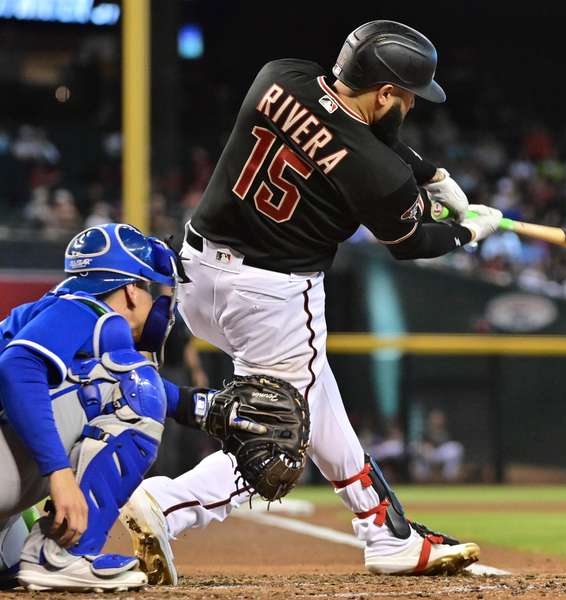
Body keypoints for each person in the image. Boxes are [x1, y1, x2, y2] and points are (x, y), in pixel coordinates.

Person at [123, 20, 499, 581]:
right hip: (271, 297)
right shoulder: (382, 176)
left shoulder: (280, 76)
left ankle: (384, 532)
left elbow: (351, 130)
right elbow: (413, 241)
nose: (412, 108)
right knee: (277, 441)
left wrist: (429, 174)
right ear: (386, 92)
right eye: (408, 98)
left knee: (316, 392)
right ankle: (168, 506)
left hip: (197, 275)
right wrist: (469, 229)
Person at [0, 223, 198, 591]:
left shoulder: (61, 310)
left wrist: (203, 407)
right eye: (150, 288)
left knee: (9, 562)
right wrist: (59, 474)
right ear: (130, 289)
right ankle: (60, 558)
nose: (156, 303)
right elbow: (17, 367)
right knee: (133, 384)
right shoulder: (86, 310)